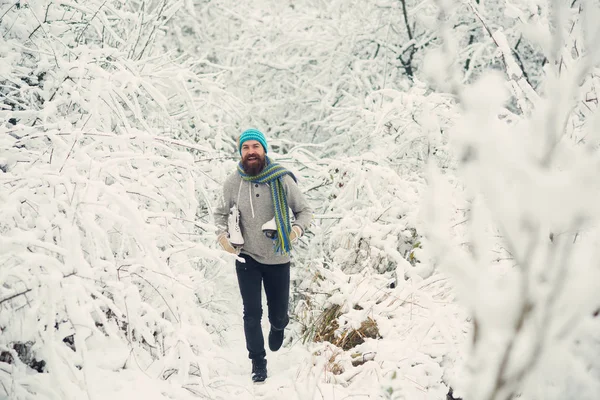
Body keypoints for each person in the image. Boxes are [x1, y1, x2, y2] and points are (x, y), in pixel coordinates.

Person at [214, 128, 313, 383]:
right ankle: (258, 362)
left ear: (264, 150)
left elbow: (304, 211)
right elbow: (219, 214)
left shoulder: (281, 179)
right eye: (245, 148)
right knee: (251, 312)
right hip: (247, 256)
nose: (250, 152)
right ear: (241, 153)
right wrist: (222, 237)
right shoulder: (233, 182)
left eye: (255, 147)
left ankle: (279, 326)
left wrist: (295, 231)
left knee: (277, 315)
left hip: (278, 257)